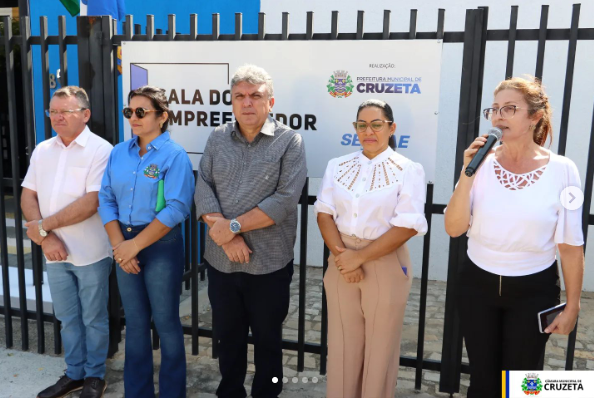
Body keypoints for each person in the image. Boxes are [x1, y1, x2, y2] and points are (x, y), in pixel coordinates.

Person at [444, 77, 585, 398]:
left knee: (521, 384)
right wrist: (467, 172)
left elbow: (570, 243)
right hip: (476, 285)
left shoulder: (563, 170)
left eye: (509, 108)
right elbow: (453, 228)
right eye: (494, 109)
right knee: (483, 381)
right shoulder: (479, 164)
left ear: (535, 117)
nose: (498, 116)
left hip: (534, 291)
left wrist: (573, 305)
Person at [195, 64, 307, 398]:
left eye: (255, 96)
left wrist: (231, 227)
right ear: (231, 100)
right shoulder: (217, 137)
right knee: (227, 338)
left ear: (270, 102)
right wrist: (227, 240)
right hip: (221, 261)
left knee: (268, 342)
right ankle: (230, 392)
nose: (247, 103)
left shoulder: (290, 141)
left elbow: (285, 200)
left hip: (269, 264)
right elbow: (204, 186)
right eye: (240, 96)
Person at [315, 99, 428, 398]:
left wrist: (359, 258)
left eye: (376, 124)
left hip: (384, 261)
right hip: (341, 259)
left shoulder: (408, 170)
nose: (369, 131)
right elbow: (324, 213)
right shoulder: (337, 166)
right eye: (361, 125)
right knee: (341, 345)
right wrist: (342, 258)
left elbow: (407, 225)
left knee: (380, 350)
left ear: (391, 128)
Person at [98, 86, 195, 398]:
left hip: (160, 244)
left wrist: (134, 246)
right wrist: (119, 246)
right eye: (130, 112)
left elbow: (177, 207)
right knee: (137, 323)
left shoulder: (174, 155)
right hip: (124, 244)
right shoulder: (118, 152)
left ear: (162, 117)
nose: (134, 118)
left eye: (142, 112)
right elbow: (105, 198)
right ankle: (137, 393)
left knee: (166, 322)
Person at [21, 86, 113, 398]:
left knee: (94, 318)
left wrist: (43, 227)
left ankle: (95, 376)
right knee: (68, 318)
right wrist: (46, 238)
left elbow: (92, 202)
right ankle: (74, 374)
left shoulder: (101, 150)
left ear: (85, 115)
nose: (57, 117)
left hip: (92, 252)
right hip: (54, 252)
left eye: (65, 111)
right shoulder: (43, 149)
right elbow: (27, 194)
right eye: (53, 111)